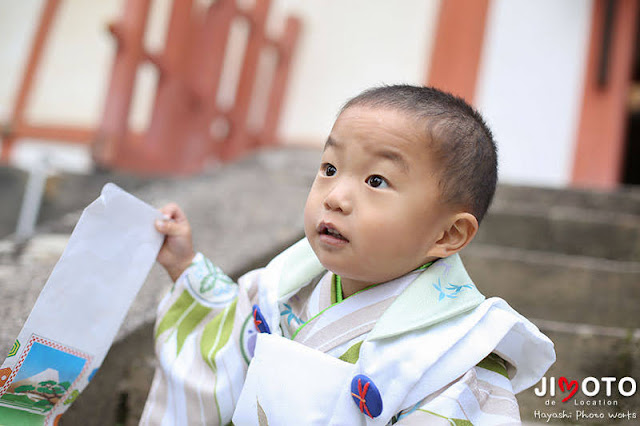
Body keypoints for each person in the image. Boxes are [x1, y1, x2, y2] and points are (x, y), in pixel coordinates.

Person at [140, 85, 555, 425]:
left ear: (448, 233)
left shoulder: (454, 355)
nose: (335, 197)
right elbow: (225, 342)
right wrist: (185, 269)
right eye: (330, 168)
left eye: (377, 180)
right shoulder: (285, 285)